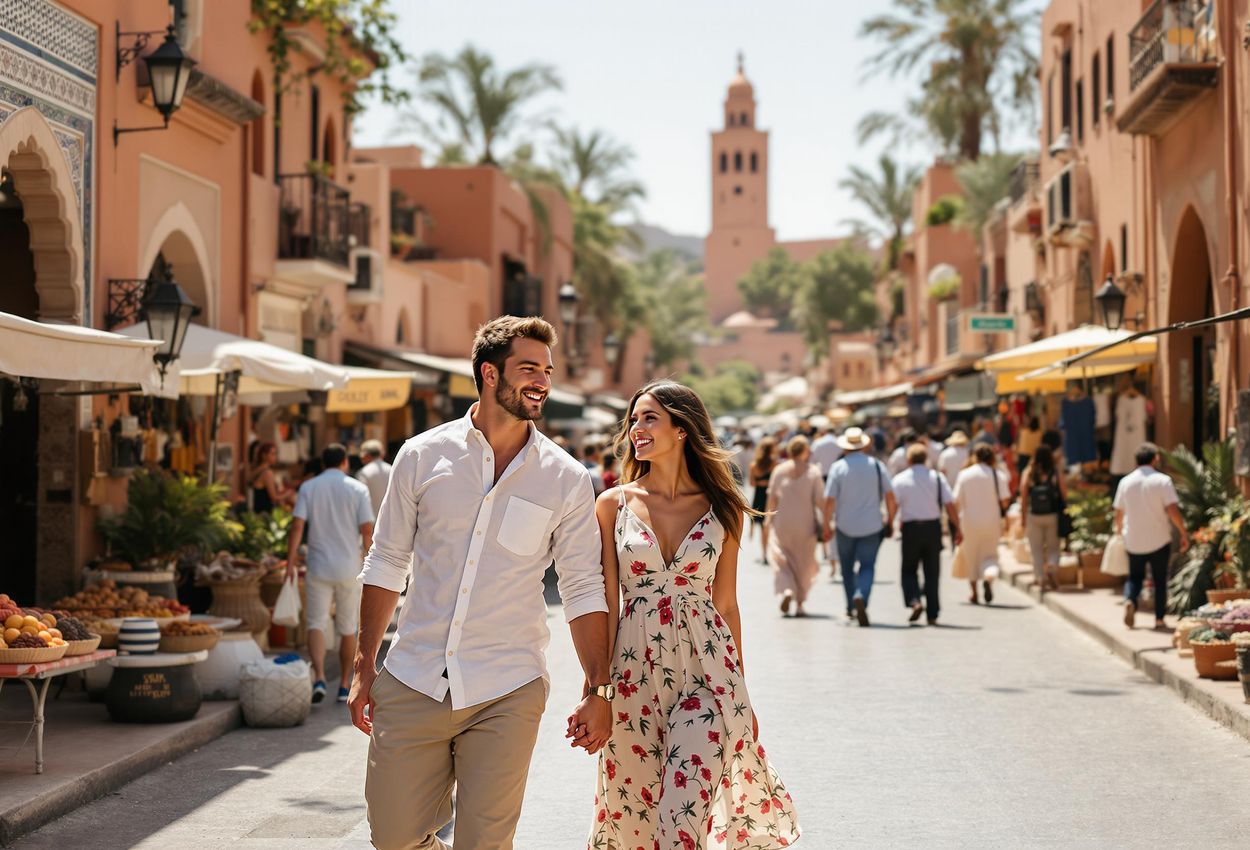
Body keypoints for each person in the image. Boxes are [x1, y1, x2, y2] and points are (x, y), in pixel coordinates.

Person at [352, 316, 612, 850]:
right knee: (393, 838)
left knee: (485, 844)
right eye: (528, 368)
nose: (541, 380)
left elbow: (584, 585)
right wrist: (362, 667)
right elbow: (386, 562)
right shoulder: (423, 455)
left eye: (546, 370)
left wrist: (598, 687)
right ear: (490, 374)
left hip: (508, 684)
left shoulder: (563, 477)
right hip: (414, 673)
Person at [588, 380, 799, 849]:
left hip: (708, 679)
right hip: (633, 677)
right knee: (636, 819)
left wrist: (741, 693)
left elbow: (726, 604)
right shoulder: (612, 505)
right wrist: (596, 690)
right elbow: (605, 602)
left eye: (648, 418)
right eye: (633, 421)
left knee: (679, 820)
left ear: (682, 429)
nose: (635, 430)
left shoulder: (722, 508)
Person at [287, 444, 375, 704]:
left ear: (323, 463)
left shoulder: (308, 487)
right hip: (349, 566)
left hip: (318, 565)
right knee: (348, 626)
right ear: (345, 462)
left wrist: (290, 562)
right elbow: (367, 530)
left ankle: (320, 677)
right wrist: (371, 560)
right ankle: (345, 683)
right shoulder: (357, 488)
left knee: (315, 622)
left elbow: (297, 527)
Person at [824, 427, 897, 626]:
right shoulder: (876, 465)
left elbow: (829, 500)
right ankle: (861, 596)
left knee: (847, 568)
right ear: (863, 445)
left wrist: (826, 524)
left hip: (844, 525)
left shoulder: (838, 467)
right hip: (871, 525)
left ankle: (850, 606)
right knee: (867, 566)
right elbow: (891, 497)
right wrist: (891, 520)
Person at [1115, 442, 1190, 630]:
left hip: (1133, 539)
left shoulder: (1125, 482)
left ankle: (1130, 600)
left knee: (1134, 577)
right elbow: (1172, 509)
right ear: (1155, 458)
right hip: (1159, 538)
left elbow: (1119, 512)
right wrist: (1183, 532)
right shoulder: (1162, 480)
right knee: (1159, 580)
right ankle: (1159, 619)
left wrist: (1119, 532)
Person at [890, 443, 961, 625]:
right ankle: (932, 613)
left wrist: (889, 523)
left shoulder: (900, 479)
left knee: (908, 569)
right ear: (926, 459)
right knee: (932, 572)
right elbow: (950, 504)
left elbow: (893, 504)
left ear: (908, 460)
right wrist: (958, 526)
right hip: (932, 529)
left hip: (911, 529)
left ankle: (914, 601)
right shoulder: (937, 478)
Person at [766, 435, 825, 617]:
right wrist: (828, 520)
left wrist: (768, 519)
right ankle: (799, 603)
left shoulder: (779, 470)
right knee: (804, 562)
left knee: (781, 559)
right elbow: (820, 501)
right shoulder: (813, 472)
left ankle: (787, 591)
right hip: (805, 523)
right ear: (805, 450)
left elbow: (772, 497)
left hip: (783, 521)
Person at [953, 444, 1011, 605]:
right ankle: (988, 576)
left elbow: (956, 500)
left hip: (969, 522)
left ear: (974, 457)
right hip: (991, 522)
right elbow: (1005, 501)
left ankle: (974, 593)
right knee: (990, 556)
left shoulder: (964, 475)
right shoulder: (997, 475)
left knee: (971, 557)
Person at [1020, 443, 1065, 592]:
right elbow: (1063, 493)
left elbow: (1024, 495)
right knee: (1054, 547)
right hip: (1052, 514)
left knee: (1036, 549)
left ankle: (1040, 577)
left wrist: (1022, 516)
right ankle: (1052, 566)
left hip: (1034, 515)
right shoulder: (1055, 472)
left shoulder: (1029, 472)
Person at [748, 437, 779, 553]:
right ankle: (773, 551)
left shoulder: (754, 465)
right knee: (772, 526)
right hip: (771, 496)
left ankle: (764, 553)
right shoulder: (775, 464)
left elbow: (751, 483)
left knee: (762, 527)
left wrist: (760, 482)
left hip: (759, 496)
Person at [249, 441, 295, 512]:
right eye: (272, 454)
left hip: (257, 511)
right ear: (264, 455)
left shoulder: (257, 470)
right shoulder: (267, 473)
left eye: (276, 454)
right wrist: (287, 494)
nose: (275, 457)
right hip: (265, 513)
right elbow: (274, 497)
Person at [355, 439, 392, 519]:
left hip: (371, 522)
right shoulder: (392, 470)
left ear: (365, 456)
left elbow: (360, 500)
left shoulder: (363, 473)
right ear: (382, 455)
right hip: (391, 520)